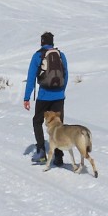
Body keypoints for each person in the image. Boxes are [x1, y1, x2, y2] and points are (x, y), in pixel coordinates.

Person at [23, 31, 68, 166]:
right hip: (59, 96)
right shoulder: (61, 55)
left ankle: (41, 151)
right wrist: (62, 91)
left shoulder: (38, 55)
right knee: (58, 125)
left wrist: (27, 97)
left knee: (37, 121)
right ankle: (59, 156)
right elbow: (66, 75)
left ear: (42, 42)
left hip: (44, 96)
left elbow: (31, 78)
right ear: (52, 42)